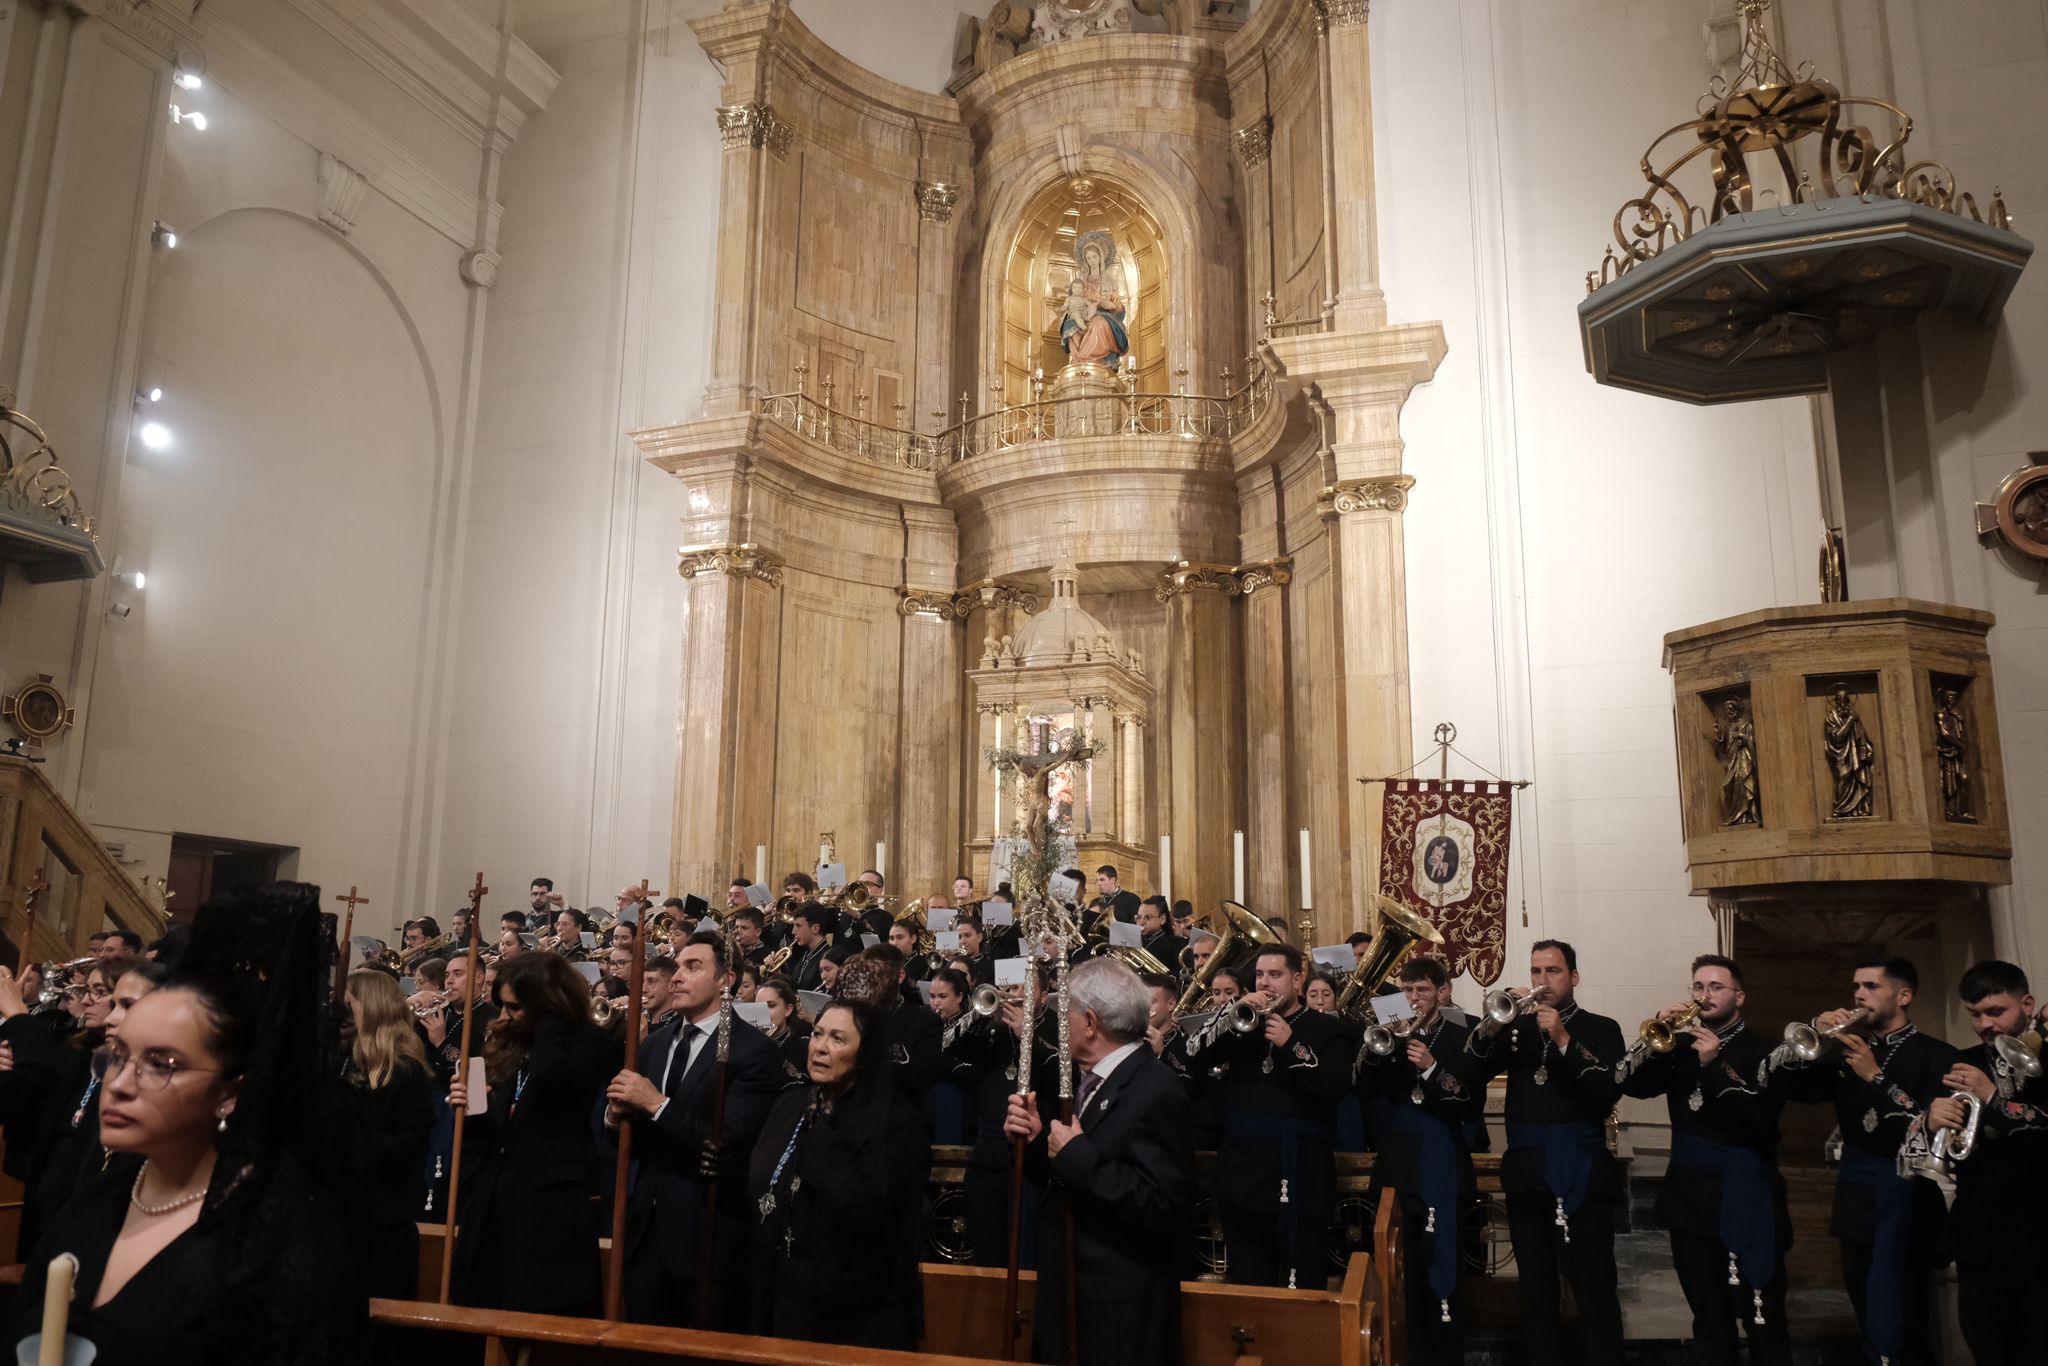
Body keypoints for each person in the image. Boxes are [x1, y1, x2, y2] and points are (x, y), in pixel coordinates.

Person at [7, 884, 363, 1363]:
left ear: (231, 1093)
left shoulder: (283, 1241)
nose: (120, 1084)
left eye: (161, 1063)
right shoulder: (96, 1200)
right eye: (119, 1055)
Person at [1003, 959, 1195, 1366]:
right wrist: (1038, 1144)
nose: (1059, 1024)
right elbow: (1071, 1179)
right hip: (1072, 1296)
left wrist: (1076, 1154)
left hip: (1116, 1315)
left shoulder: (1155, 1089)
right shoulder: (1089, 1080)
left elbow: (1162, 1206)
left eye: (1063, 1014)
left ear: (1090, 1022)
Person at [1768, 957, 1953, 1366]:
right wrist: (1815, 1031)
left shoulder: (1937, 1054)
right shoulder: (1848, 1049)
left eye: (1870, 986)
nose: (1858, 995)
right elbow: (1784, 1082)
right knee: (1864, 1303)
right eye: (1856, 986)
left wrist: (1877, 1078)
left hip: (1908, 1198)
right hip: (1856, 1195)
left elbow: (1931, 1128)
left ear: (1903, 996)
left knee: (1908, 1318)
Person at [605, 932, 786, 1328]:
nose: (677, 978)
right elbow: (631, 1143)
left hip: (706, 1236)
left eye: (693, 967)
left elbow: (726, 1143)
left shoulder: (753, 1052)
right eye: (678, 967)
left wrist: (655, 1104)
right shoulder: (654, 1044)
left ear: (727, 981)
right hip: (645, 1234)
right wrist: (615, 1117)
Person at [1458, 940, 1624, 1366]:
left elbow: (1605, 1092)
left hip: (1582, 1168)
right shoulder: (1517, 1029)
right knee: (1535, 1284)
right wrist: (1493, 1027)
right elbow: (1470, 1074)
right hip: (1528, 1170)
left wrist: (1564, 1038)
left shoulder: (1601, 1027)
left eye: (1552, 971)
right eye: (1535, 972)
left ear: (1574, 978)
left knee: (1593, 1282)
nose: (1542, 981)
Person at [1620, 954, 1789, 1366]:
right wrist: (1656, 1038)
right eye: (1697, 987)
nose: (1704, 995)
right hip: (1690, 1200)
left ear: (1740, 996)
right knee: (1708, 1319)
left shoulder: (1767, 1049)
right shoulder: (1677, 1047)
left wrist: (1713, 1067)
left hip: (1746, 1194)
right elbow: (1629, 1083)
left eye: (1715, 987)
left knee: (1762, 1318)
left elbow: (1758, 1120)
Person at [747, 987, 929, 1348]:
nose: (820, 1047)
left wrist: (821, 1134)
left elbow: (867, 1208)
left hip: (856, 1313)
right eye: (817, 1033)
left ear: (864, 1054)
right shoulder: (791, 1102)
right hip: (782, 1294)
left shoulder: (895, 1123)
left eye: (838, 1038)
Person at [446, 951, 615, 1316]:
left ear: (546, 1002)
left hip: (547, 1214)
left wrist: (548, 1023)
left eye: (516, 1007)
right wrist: (470, 1104)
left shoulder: (589, 1042)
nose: (505, 1016)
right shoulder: (505, 1039)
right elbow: (488, 1126)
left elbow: (549, 1076)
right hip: (492, 1202)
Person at [1185, 943, 1349, 1288]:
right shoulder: (1243, 1025)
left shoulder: (1330, 1029)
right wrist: (1231, 1014)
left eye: (1275, 975)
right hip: (1243, 1173)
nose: (1265, 983)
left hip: (1302, 1169)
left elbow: (1333, 1090)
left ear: (1298, 979)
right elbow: (1193, 1056)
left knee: (1301, 1278)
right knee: (1248, 1275)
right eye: (1260, 975)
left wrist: (1291, 1046)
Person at [1354, 959, 1478, 1363]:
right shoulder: (1389, 1036)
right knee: (1397, 1264)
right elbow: (1363, 1090)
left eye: (1421, 990)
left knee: (1442, 1263)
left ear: (1441, 991)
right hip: (1397, 1164)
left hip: (1443, 1160)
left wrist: (1430, 1066)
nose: (1413, 999)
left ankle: (1445, 1350)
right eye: (1406, 991)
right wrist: (1379, 1051)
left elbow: (1465, 1101)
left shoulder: (1462, 1033)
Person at [1929, 960, 2047, 1361]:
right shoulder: (1961, 1062)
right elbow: (1934, 1145)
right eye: (1975, 1014)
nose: (1984, 1024)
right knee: (1985, 1343)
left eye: (1996, 1011)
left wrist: (1993, 1099)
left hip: (2038, 1229)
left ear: (2027, 1004)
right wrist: (1931, 1122)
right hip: (1978, 1232)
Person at [339, 969, 436, 1299]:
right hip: (344, 1216)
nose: (340, 1013)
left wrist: (350, 1145)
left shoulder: (406, 1071)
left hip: (382, 1222)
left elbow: (409, 1144)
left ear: (369, 1007)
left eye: (347, 1004)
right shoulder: (346, 1062)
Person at [757, 978, 811, 1081]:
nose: (762, 1012)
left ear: (788, 1009)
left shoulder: (804, 1048)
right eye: (757, 1006)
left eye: (770, 1005)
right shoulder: (747, 1044)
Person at [787, 904, 835, 991]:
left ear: (815, 928)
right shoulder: (807, 952)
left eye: (798, 926)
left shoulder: (827, 959)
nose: (793, 931)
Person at [1135, 896, 1184, 970]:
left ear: (1162, 919)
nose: (1141, 922)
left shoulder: (1177, 944)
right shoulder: (1133, 941)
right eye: (1138, 917)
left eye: (1147, 917)